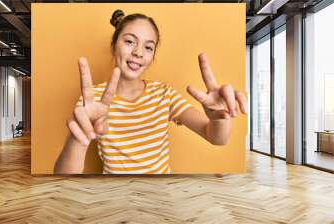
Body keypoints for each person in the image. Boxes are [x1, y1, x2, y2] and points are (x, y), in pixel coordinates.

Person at [54, 9, 247, 174]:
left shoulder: (164, 94)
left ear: (152, 56)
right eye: (130, 41)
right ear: (113, 47)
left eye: (148, 47)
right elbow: (63, 176)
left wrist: (219, 118)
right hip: (114, 197)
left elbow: (216, 138)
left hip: (160, 197)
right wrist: (78, 137)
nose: (138, 52)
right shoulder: (92, 100)